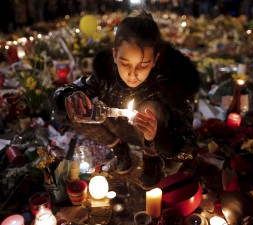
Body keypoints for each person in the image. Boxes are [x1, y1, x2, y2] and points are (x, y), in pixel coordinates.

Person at [52, 10, 200, 190]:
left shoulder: (169, 84)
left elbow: (189, 148)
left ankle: (150, 158)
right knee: (75, 108)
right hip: (118, 129)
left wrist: (157, 136)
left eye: (143, 65)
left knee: (150, 109)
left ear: (155, 59)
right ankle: (119, 148)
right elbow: (66, 93)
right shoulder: (105, 75)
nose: (132, 73)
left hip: (153, 138)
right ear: (114, 55)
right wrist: (68, 96)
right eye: (125, 63)